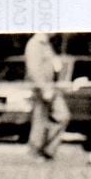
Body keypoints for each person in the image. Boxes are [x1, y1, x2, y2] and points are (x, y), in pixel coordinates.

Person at [24, 32, 70, 160]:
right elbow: (33, 69)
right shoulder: (34, 45)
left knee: (63, 116)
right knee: (40, 121)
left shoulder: (46, 45)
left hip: (52, 87)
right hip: (41, 89)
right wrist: (43, 89)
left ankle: (47, 150)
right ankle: (35, 152)